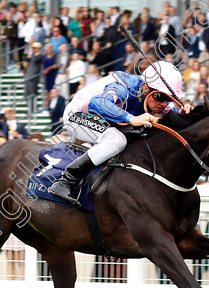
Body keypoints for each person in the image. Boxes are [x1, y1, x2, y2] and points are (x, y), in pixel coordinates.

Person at [49, 61, 191, 203]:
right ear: (146, 88)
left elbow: (174, 115)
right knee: (117, 140)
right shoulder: (125, 87)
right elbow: (96, 103)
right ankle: (66, 180)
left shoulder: (158, 99)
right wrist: (131, 119)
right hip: (78, 115)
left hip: (106, 120)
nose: (164, 104)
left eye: (169, 99)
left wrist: (185, 115)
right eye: (161, 97)